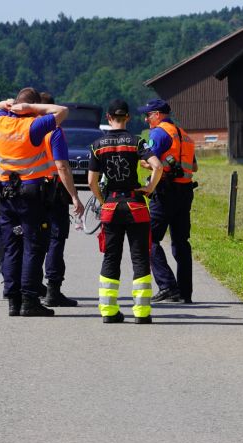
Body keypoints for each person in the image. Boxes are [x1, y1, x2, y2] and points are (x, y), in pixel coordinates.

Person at [0, 87, 83, 317]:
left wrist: (10, 103)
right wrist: (32, 108)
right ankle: (29, 299)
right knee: (33, 246)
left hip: (5, 193)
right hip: (31, 195)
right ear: (29, 108)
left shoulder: (0, 123)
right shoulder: (34, 126)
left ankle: (13, 300)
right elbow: (62, 111)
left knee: (11, 247)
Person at [89, 99, 163, 324]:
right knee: (139, 257)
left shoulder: (97, 145)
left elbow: (91, 181)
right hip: (136, 205)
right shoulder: (137, 142)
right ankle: (141, 313)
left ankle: (109, 312)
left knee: (111, 257)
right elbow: (158, 166)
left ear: (108, 118)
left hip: (111, 206)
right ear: (128, 118)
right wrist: (150, 188)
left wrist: (103, 200)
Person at [138, 99, 198, 304]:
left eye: (148, 115)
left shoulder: (158, 133)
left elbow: (153, 162)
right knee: (181, 242)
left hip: (165, 192)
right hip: (185, 191)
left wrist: (144, 163)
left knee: (148, 238)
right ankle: (184, 292)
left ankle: (167, 286)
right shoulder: (185, 135)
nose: (146, 119)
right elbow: (194, 167)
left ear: (157, 114)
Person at [38, 92, 83, 307]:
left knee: (34, 239)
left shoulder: (26, 129)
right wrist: (74, 196)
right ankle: (53, 289)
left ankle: (31, 286)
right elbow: (62, 166)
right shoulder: (53, 131)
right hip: (53, 189)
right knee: (56, 238)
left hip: (30, 190)